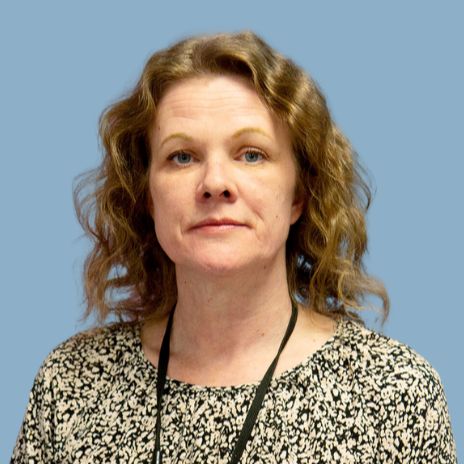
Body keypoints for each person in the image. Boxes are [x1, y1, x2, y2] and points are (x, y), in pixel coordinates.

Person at [11, 31, 456, 463]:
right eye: (181, 156)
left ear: (300, 193)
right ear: (147, 196)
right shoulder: (69, 384)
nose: (216, 184)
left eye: (251, 154)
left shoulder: (395, 395)